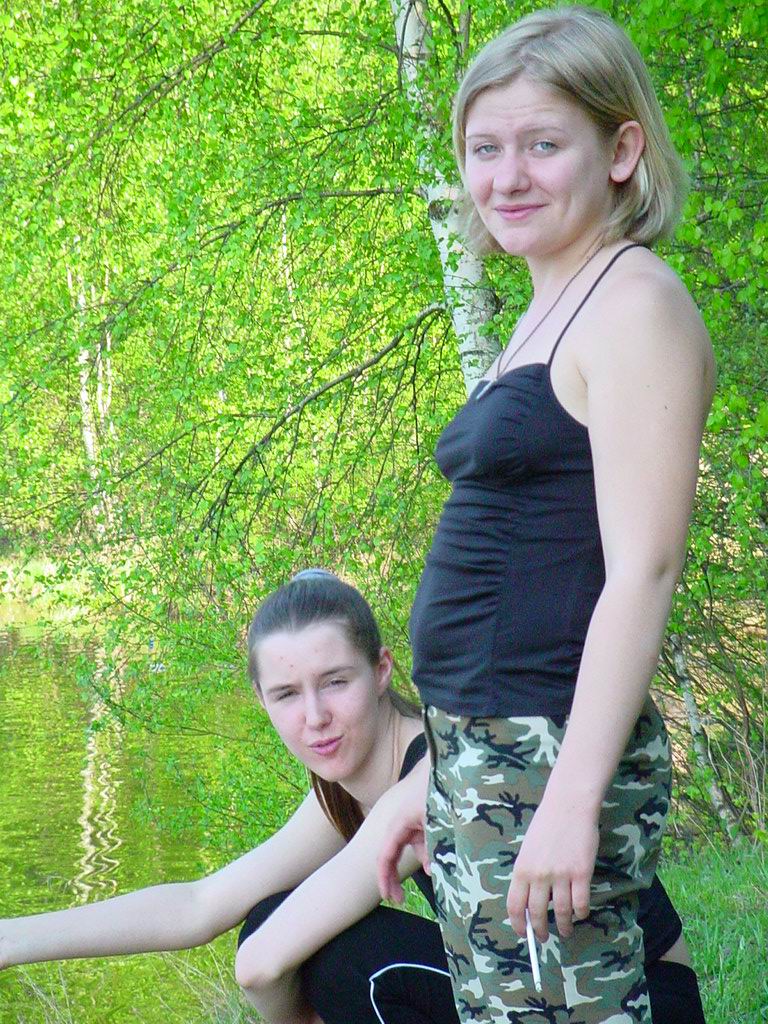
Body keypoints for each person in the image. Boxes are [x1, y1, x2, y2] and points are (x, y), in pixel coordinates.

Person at [378, 7, 715, 1024]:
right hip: (491, 755)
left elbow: (643, 569)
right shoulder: (553, 305)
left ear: (621, 150)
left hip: (542, 752)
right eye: (485, 149)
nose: (507, 176)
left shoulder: (635, 305)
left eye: (541, 145)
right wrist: (443, 780)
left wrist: (569, 797)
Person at [0, 572, 701, 1023]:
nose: (315, 717)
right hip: (529, 994)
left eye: (336, 682)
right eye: (287, 694)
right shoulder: (345, 792)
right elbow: (199, 904)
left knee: (347, 963)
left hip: (631, 1000)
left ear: (382, 670)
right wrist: (11, 940)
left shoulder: (443, 768)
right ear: (261, 701)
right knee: (273, 917)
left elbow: (260, 966)